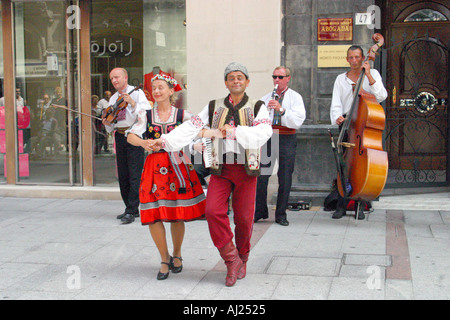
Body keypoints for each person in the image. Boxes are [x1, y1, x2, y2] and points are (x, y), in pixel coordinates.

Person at [147, 62, 272, 287]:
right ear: (225, 82)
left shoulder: (258, 106)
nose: (235, 81)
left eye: (239, 77)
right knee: (213, 211)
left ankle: (243, 257)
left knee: (244, 219)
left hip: (246, 170)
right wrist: (164, 140)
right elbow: (191, 127)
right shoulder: (213, 106)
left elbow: (264, 132)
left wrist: (235, 131)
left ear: (247, 82)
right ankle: (231, 258)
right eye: (231, 77)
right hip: (221, 169)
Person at [126, 74, 206, 280]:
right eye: (154, 88)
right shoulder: (146, 115)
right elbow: (131, 135)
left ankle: (177, 253)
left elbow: (200, 129)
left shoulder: (183, 114)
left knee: (176, 213)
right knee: (153, 213)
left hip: (177, 165)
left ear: (171, 91)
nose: (157, 91)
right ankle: (164, 258)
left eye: (161, 87)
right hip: (154, 167)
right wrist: (144, 143)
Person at [329, 45, 388, 219]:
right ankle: (341, 204)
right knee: (343, 164)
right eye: (351, 57)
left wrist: (368, 74)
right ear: (347, 59)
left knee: (362, 166)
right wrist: (337, 117)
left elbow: (382, 95)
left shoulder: (373, 74)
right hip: (347, 124)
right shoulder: (341, 79)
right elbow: (336, 102)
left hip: (364, 124)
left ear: (363, 58)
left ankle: (359, 205)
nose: (354, 60)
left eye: (357, 57)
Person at [254, 66, 306, 226]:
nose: (277, 80)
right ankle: (260, 211)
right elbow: (257, 120)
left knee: (285, 177)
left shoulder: (295, 97)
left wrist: (281, 110)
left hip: (287, 138)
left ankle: (281, 214)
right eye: (274, 77)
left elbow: (298, 121)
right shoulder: (266, 97)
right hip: (269, 138)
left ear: (288, 78)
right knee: (261, 176)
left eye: (280, 77)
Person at [102, 67, 151, 224]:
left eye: (117, 77)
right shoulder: (113, 99)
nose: (114, 81)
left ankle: (131, 209)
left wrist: (133, 103)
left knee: (135, 173)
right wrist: (107, 122)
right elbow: (112, 122)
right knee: (123, 174)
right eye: (112, 79)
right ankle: (130, 208)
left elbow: (147, 113)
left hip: (134, 135)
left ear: (125, 77)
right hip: (120, 136)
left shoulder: (136, 93)